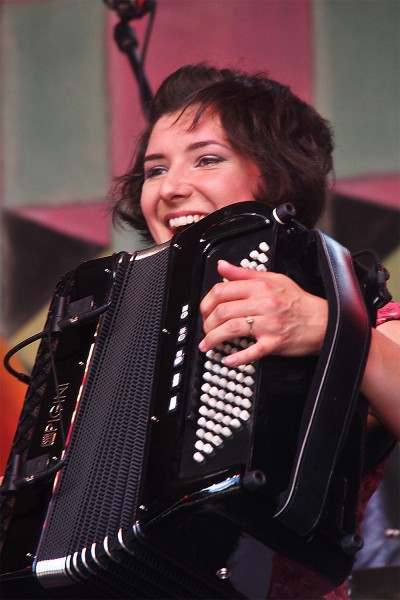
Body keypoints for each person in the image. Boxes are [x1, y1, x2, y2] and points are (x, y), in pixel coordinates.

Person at [111, 64, 400, 598]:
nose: (172, 187)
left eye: (207, 159)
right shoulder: (110, 329)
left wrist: (334, 329)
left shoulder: (364, 309)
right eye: (155, 170)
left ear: (276, 176)